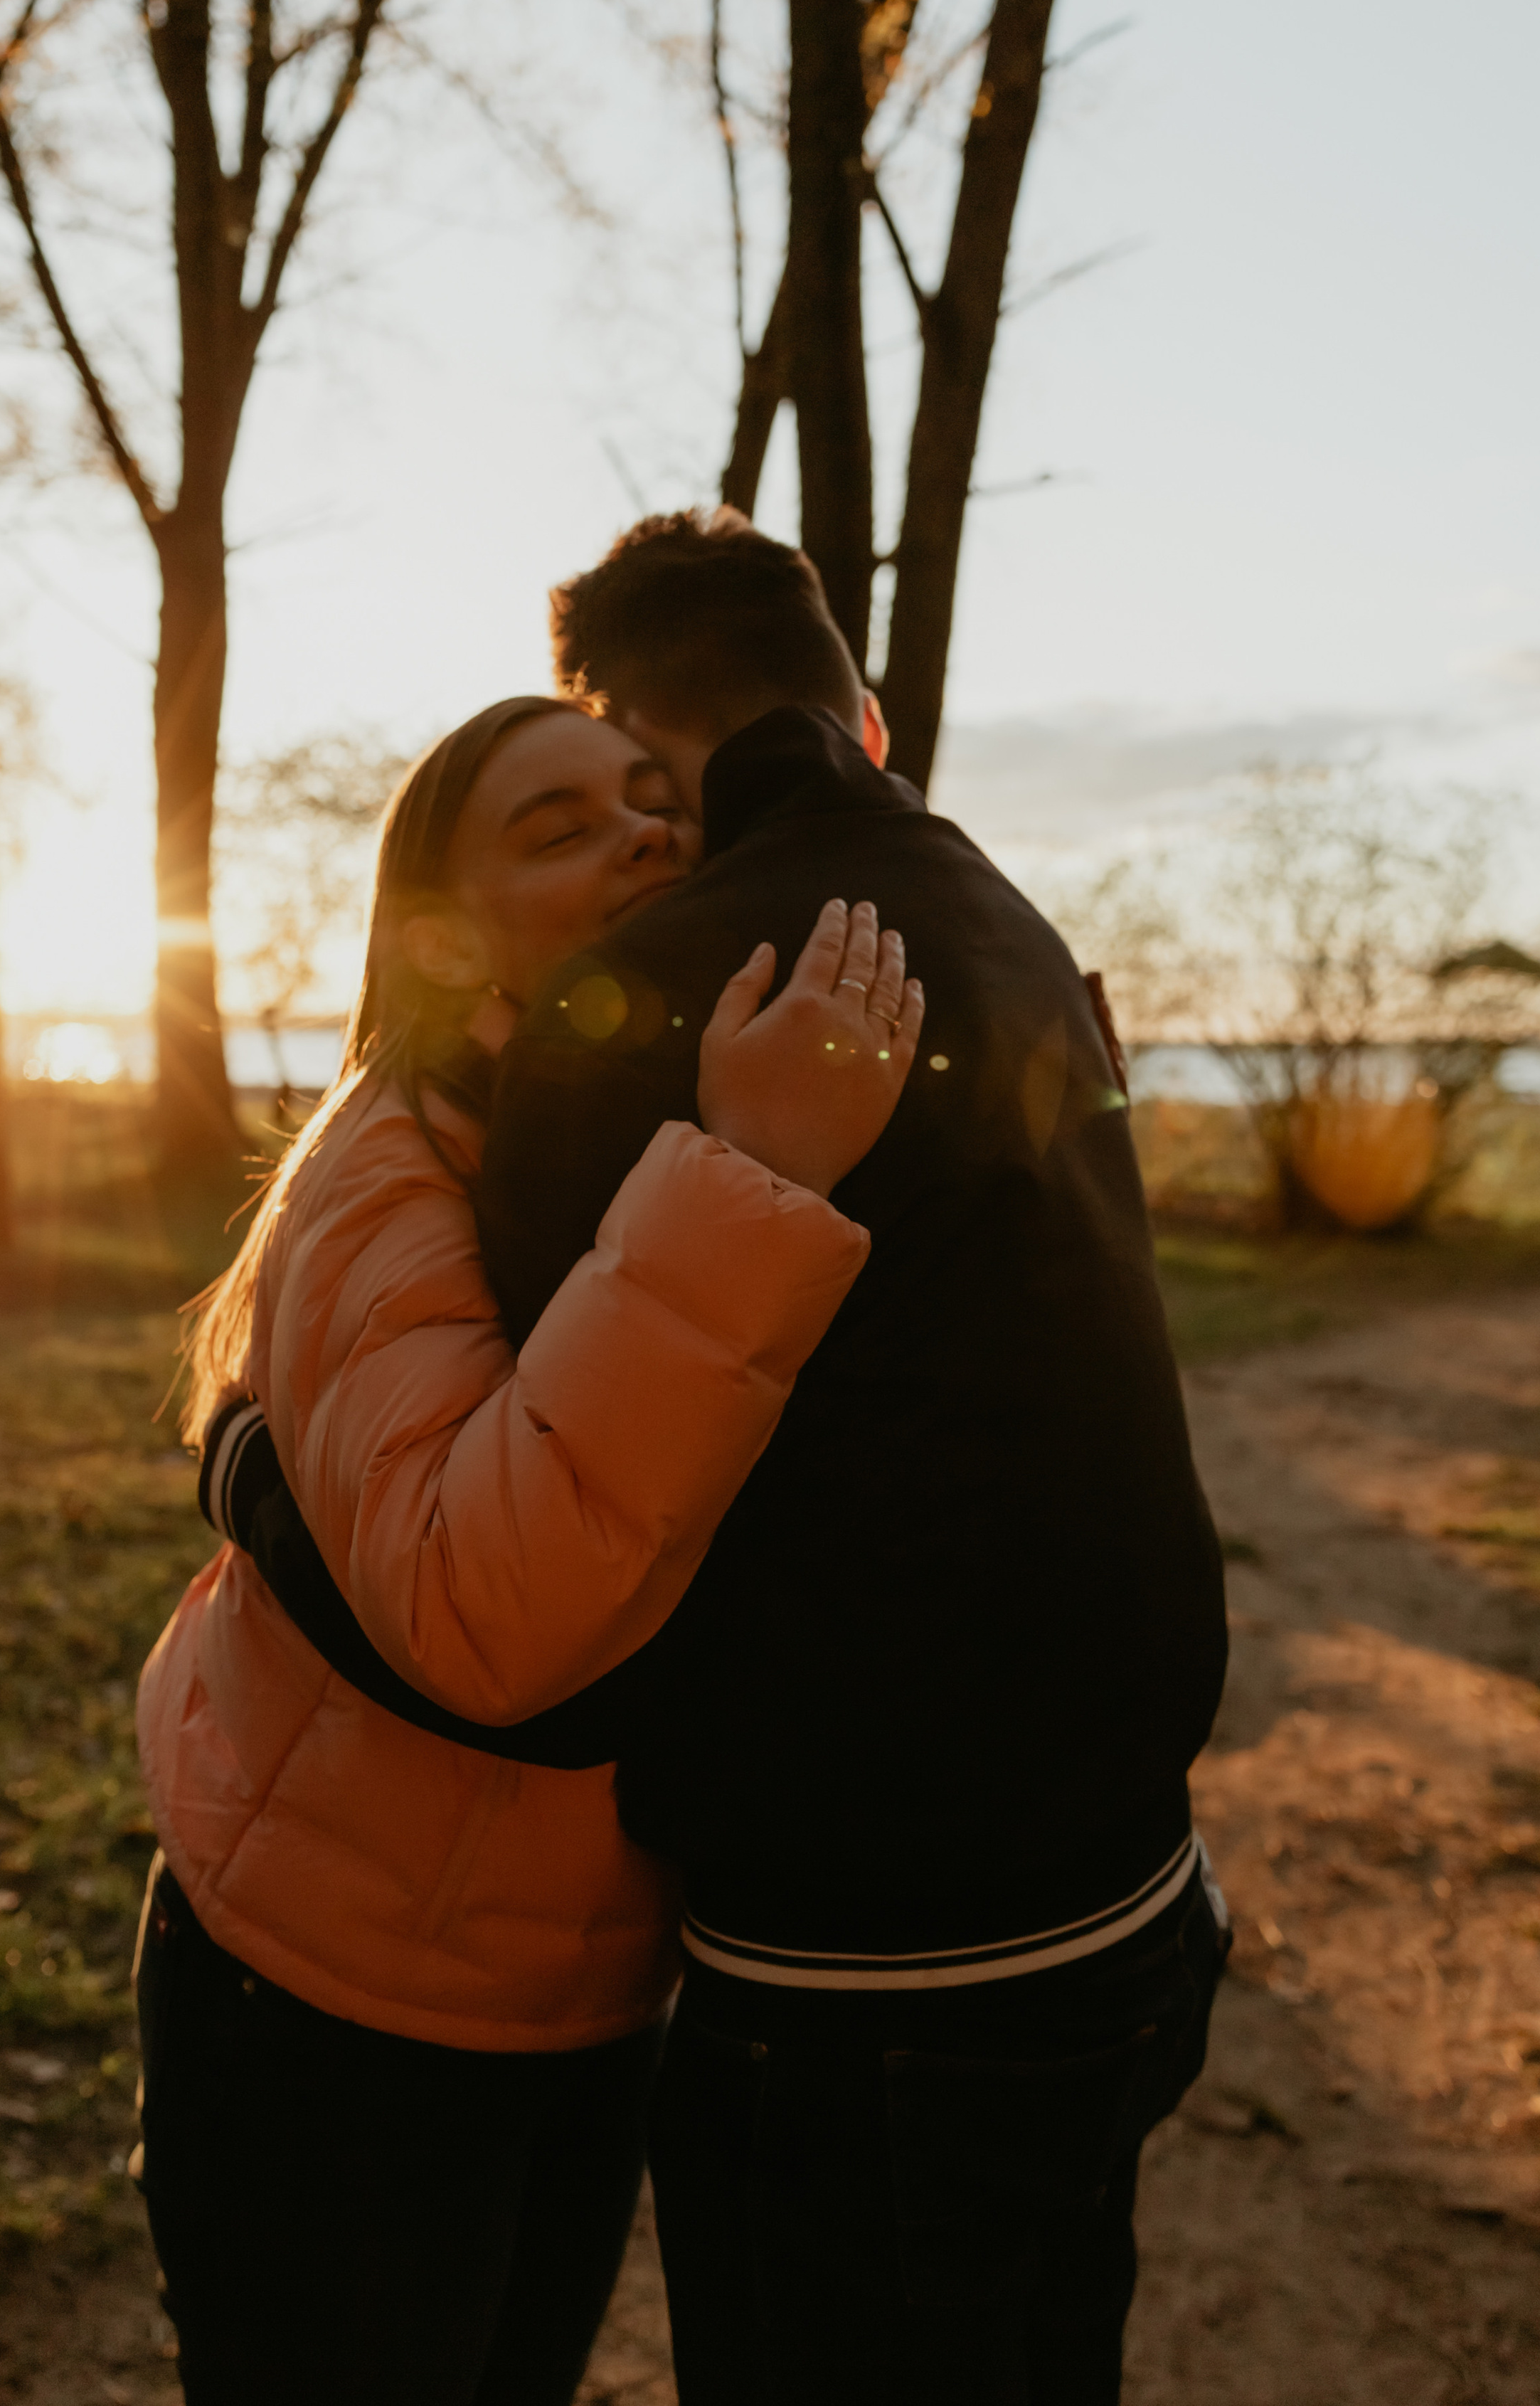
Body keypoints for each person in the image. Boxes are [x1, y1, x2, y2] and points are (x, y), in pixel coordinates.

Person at [467, 511, 1232, 2405]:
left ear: (644, 745)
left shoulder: (643, 992)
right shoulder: (1007, 921)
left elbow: (539, 1492)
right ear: (860, 712)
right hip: (1134, 1895)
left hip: (872, 1969)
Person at [132, 690, 922, 2405]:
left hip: (581, 1996)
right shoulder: (389, 1170)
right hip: (335, 2008)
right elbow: (492, 1616)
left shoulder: (608, 1138)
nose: (642, 828)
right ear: (435, 938)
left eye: (653, 800)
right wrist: (754, 1171)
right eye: (556, 825)